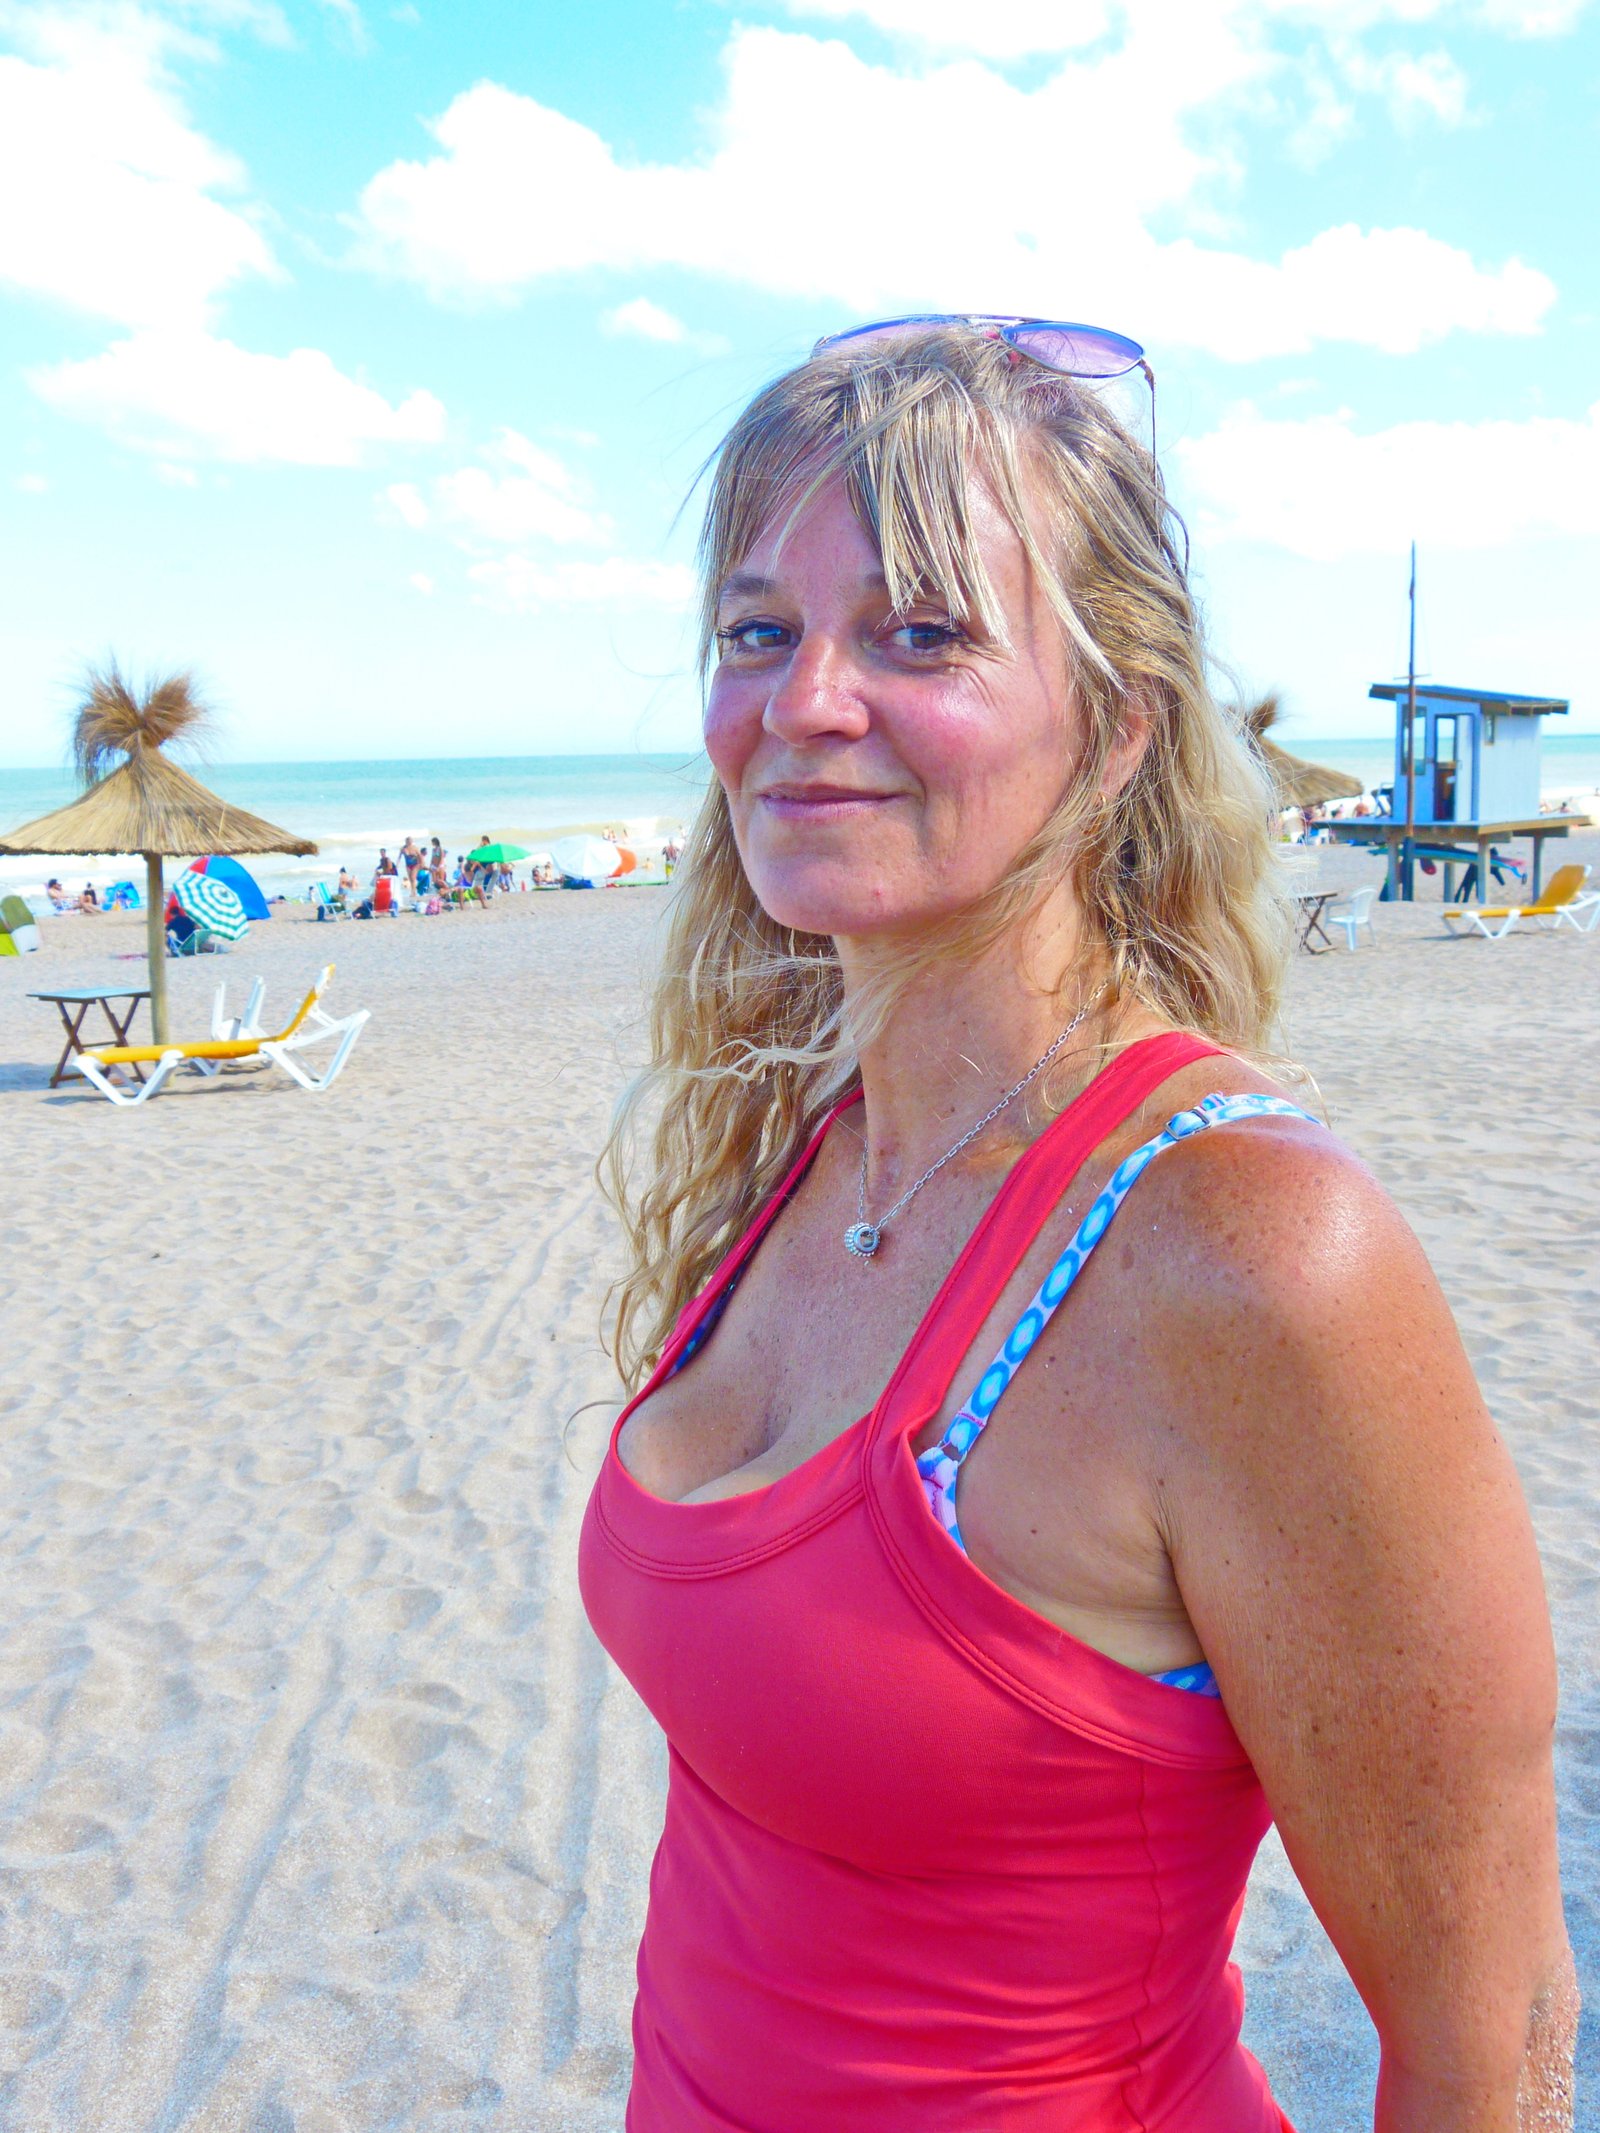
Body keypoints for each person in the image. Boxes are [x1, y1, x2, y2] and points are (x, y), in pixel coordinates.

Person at [578, 321, 1575, 2130]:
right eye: (757, 630)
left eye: (921, 631)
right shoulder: (806, 1142)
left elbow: (1487, 2029)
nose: (805, 700)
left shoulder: (1249, 1250)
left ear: (1115, 730)